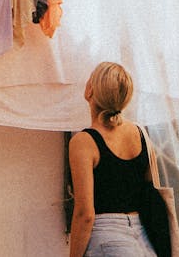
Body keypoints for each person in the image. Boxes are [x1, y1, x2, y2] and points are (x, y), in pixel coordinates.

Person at [68, 62, 160, 257]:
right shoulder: (140, 133)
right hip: (144, 238)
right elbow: (150, 188)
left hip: (107, 237)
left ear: (90, 90)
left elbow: (85, 214)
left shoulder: (84, 142)